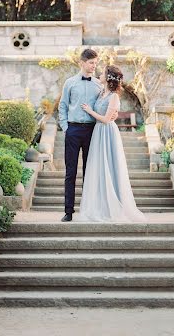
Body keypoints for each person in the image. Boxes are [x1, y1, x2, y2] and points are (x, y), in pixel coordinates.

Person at [78, 65, 146, 223]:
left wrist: (89, 111)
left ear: (108, 78)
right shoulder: (102, 92)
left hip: (107, 133)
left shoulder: (114, 96)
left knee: (110, 166)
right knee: (99, 168)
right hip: (98, 133)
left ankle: (115, 207)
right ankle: (101, 206)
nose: (99, 74)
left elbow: (106, 119)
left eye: (102, 73)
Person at [58, 49, 117, 222]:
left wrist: (114, 113)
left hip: (93, 131)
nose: (94, 66)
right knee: (70, 172)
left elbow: (109, 100)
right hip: (73, 130)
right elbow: (62, 106)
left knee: (90, 171)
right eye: (91, 63)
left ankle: (88, 210)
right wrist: (65, 127)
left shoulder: (99, 85)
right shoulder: (69, 83)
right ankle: (68, 211)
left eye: (96, 63)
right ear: (82, 63)